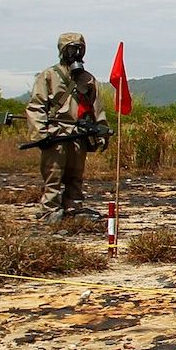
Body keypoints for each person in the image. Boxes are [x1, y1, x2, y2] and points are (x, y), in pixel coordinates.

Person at [25, 33, 108, 223]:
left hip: (79, 135)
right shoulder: (49, 76)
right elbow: (36, 106)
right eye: (71, 49)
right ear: (62, 51)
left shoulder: (88, 79)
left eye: (79, 49)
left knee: (75, 175)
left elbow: (97, 108)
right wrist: (40, 134)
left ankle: (73, 206)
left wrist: (101, 132)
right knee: (53, 175)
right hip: (56, 135)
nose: (76, 53)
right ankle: (49, 209)